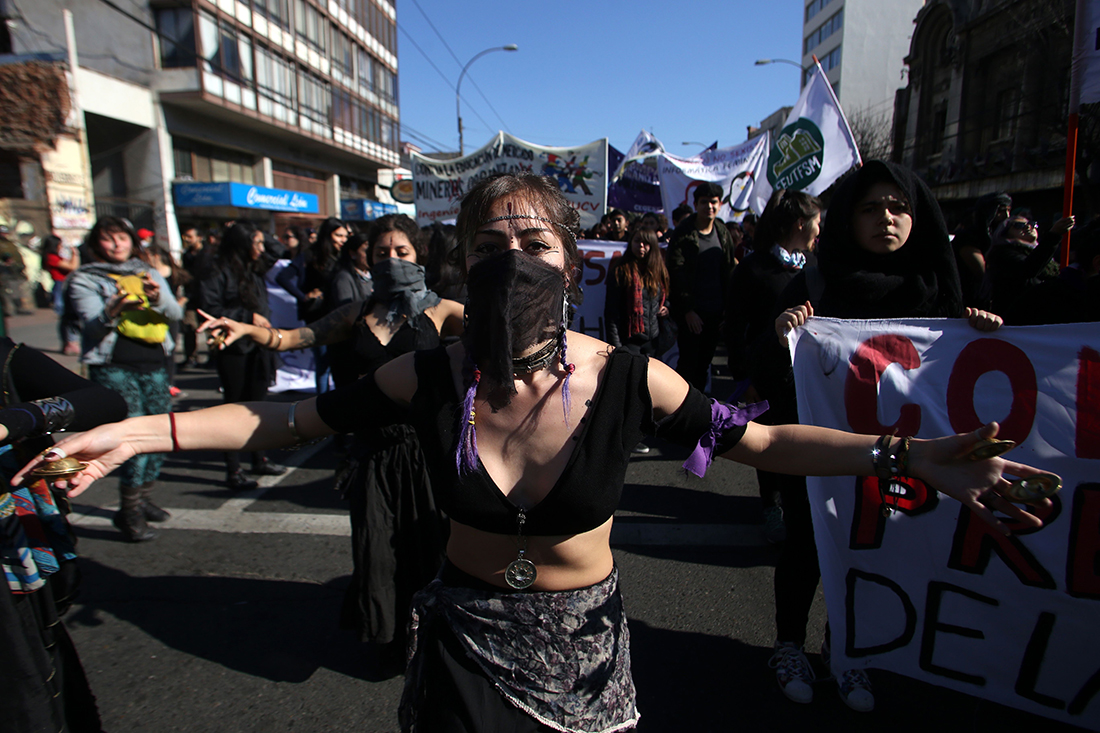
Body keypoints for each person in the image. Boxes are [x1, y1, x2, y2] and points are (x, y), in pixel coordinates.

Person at [28, 173, 1048, 733]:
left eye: (534, 243)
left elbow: (767, 441)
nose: (510, 260)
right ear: (459, 257)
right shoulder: (430, 374)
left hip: (583, 663)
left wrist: (906, 453)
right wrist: (134, 429)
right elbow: (291, 422)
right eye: (487, 242)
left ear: (572, 259)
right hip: (462, 649)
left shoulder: (625, 378)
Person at [770, 160, 1005, 712]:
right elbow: (768, 368)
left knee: (873, 545)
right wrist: (784, 336)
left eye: (898, 206)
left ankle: (847, 648)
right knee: (809, 541)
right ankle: (788, 644)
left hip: (906, 456)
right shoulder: (816, 282)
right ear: (848, 219)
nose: (886, 217)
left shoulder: (941, 289)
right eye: (870, 207)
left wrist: (981, 333)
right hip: (823, 447)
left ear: (917, 216)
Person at [199, 213, 463, 669]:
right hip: (369, 456)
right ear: (368, 257)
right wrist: (247, 330)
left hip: (425, 455)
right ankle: (391, 637)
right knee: (377, 551)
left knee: (430, 549)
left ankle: (437, 637)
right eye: (382, 253)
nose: (392, 260)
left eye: (401, 252)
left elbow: (500, 335)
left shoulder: (441, 310)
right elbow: (293, 337)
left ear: (418, 255)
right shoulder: (358, 312)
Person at [0, 337, 128, 733]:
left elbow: (106, 401)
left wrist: (16, 420)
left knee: (24, 688)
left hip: (10, 564)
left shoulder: (4, 355)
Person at [66, 216, 183, 542]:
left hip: (155, 363)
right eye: (108, 238)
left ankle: (143, 498)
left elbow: (174, 313)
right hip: (114, 366)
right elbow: (90, 327)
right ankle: (128, 509)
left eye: (122, 237)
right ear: (96, 244)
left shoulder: (147, 272)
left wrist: (157, 296)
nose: (117, 244)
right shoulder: (84, 279)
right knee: (133, 438)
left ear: (132, 241)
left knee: (161, 436)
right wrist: (112, 310)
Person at [723, 189, 821, 545]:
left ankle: (798, 505)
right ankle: (771, 504)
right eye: (817, 222)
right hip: (764, 377)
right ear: (800, 224)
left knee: (803, 441)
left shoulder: (815, 270)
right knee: (770, 442)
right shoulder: (754, 268)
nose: (820, 231)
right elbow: (734, 327)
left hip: (807, 377)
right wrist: (744, 377)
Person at [199, 222, 286, 490]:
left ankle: (259, 456)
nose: (261, 249)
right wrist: (247, 318)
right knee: (234, 408)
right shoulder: (217, 270)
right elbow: (209, 307)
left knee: (257, 406)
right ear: (241, 244)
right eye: (255, 243)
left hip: (259, 348)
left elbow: (278, 250)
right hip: (234, 348)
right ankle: (233, 468)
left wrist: (258, 232)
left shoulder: (253, 267)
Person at [666, 181, 737, 391]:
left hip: (716, 311)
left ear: (720, 204)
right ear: (696, 204)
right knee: (688, 365)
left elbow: (729, 272)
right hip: (692, 313)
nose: (710, 207)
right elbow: (676, 272)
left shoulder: (723, 233)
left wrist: (728, 310)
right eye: (704, 202)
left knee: (705, 363)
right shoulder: (683, 233)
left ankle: (697, 413)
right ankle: (677, 412)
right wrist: (688, 310)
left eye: (714, 202)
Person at [275, 217, 350, 393]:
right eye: (338, 235)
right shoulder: (311, 254)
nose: (343, 240)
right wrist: (303, 296)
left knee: (339, 361)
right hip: (318, 316)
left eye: (345, 236)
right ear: (327, 235)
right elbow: (283, 277)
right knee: (323, 363)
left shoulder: (343, 256)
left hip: (340, 313)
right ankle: (323, 405)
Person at [983, 213, 1075, 325]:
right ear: (1004, 233)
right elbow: (1029, 268)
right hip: (1019, 318)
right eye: (1018, 225)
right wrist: (1054, 235)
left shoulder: (1042, 253)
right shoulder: (1002, 253)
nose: (1028, 227)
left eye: (1032, 224)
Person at [952, 192, 1011, 308]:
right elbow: (982, 273)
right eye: (1001, 211)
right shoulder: (969, 237)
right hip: (969, 302)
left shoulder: (1000, 238)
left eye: (1008, 210)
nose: (1006, 216)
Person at [40, 234, 81, 355]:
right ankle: (70, 343)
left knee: (67, 317)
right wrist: (75, 253)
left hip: (62, 285)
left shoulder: (56, 256)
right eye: (60, 245)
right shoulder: (52, 257)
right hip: (61, 286)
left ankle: (69, 343)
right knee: (67, 316)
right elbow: (73, 267)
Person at [329, 231, 373, 310]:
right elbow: (345, 310)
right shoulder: (344, 278)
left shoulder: (373, 275)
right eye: (366, 251)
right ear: (353, 254)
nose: (370, 255)